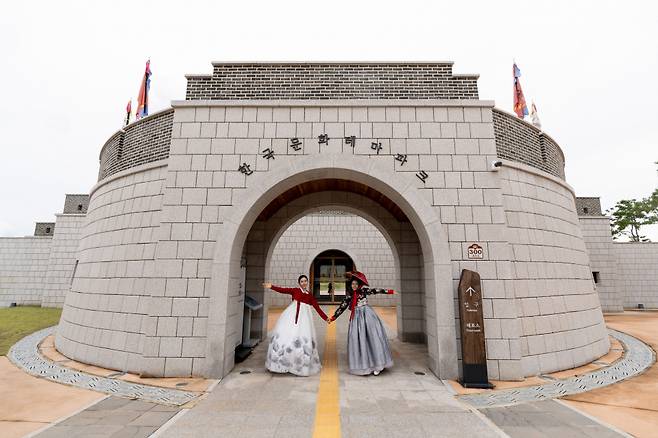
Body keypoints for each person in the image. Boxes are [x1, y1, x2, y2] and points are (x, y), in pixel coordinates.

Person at [328, 271, 395, 376]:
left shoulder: (364, 291)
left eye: (356, 284)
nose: (354, 286)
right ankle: (364, 365)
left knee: (373, 338)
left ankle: (378, 364)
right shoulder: (349, 295)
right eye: (352, 284)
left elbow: (375, 290)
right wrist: (333, 317)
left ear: (359, 285)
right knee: (359, 340)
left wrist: (389, 291)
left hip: (367, 315)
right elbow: (342, 306)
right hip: (356, 318)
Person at [262, 275, 329, 376]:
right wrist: (271, 286)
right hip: (292, 317)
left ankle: (300, 364)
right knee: (287, 338)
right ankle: (283, 362)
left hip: (304, 320)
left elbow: (317, 307)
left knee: (302, 340)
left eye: (305, 281)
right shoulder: (295, 291)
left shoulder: (309, 295)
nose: (304, 283)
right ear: (299, 283)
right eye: (302, 281)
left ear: (307, 282)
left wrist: (326, 318)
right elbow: (283, 290)